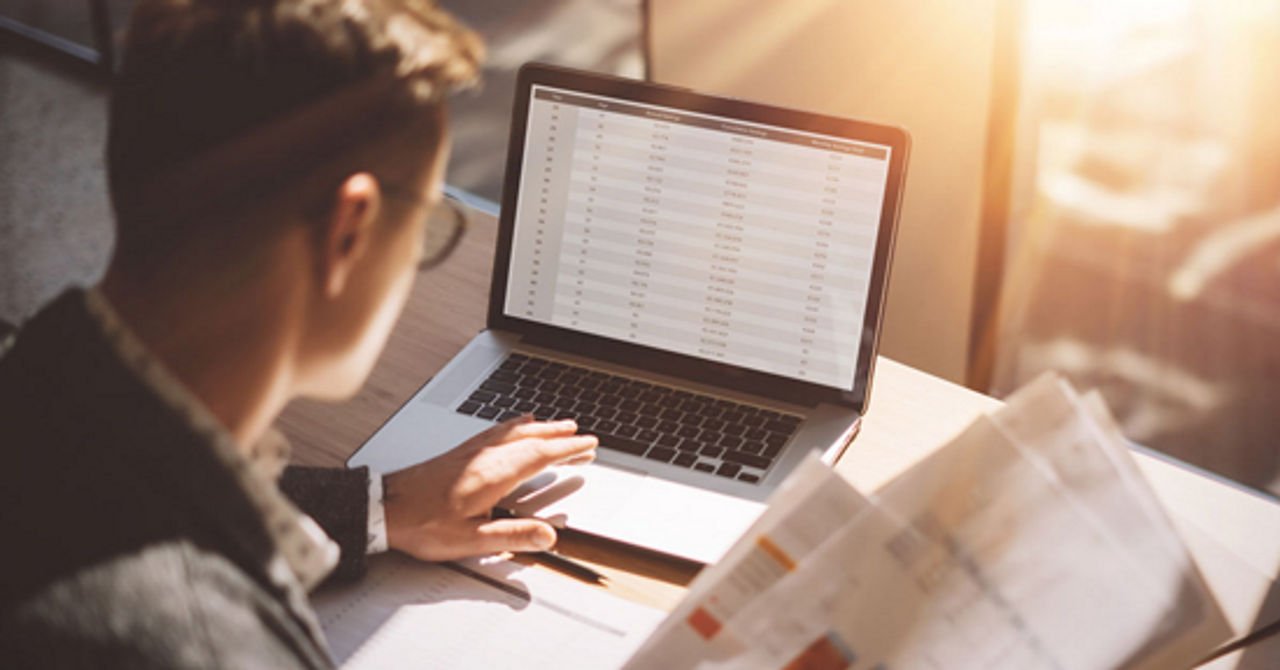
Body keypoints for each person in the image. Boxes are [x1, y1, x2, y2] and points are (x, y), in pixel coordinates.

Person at [0, 0, 598, 667]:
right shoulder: (207, 646)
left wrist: (380, 506)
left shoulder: (24, 372)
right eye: (428, 221)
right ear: (350, 231)